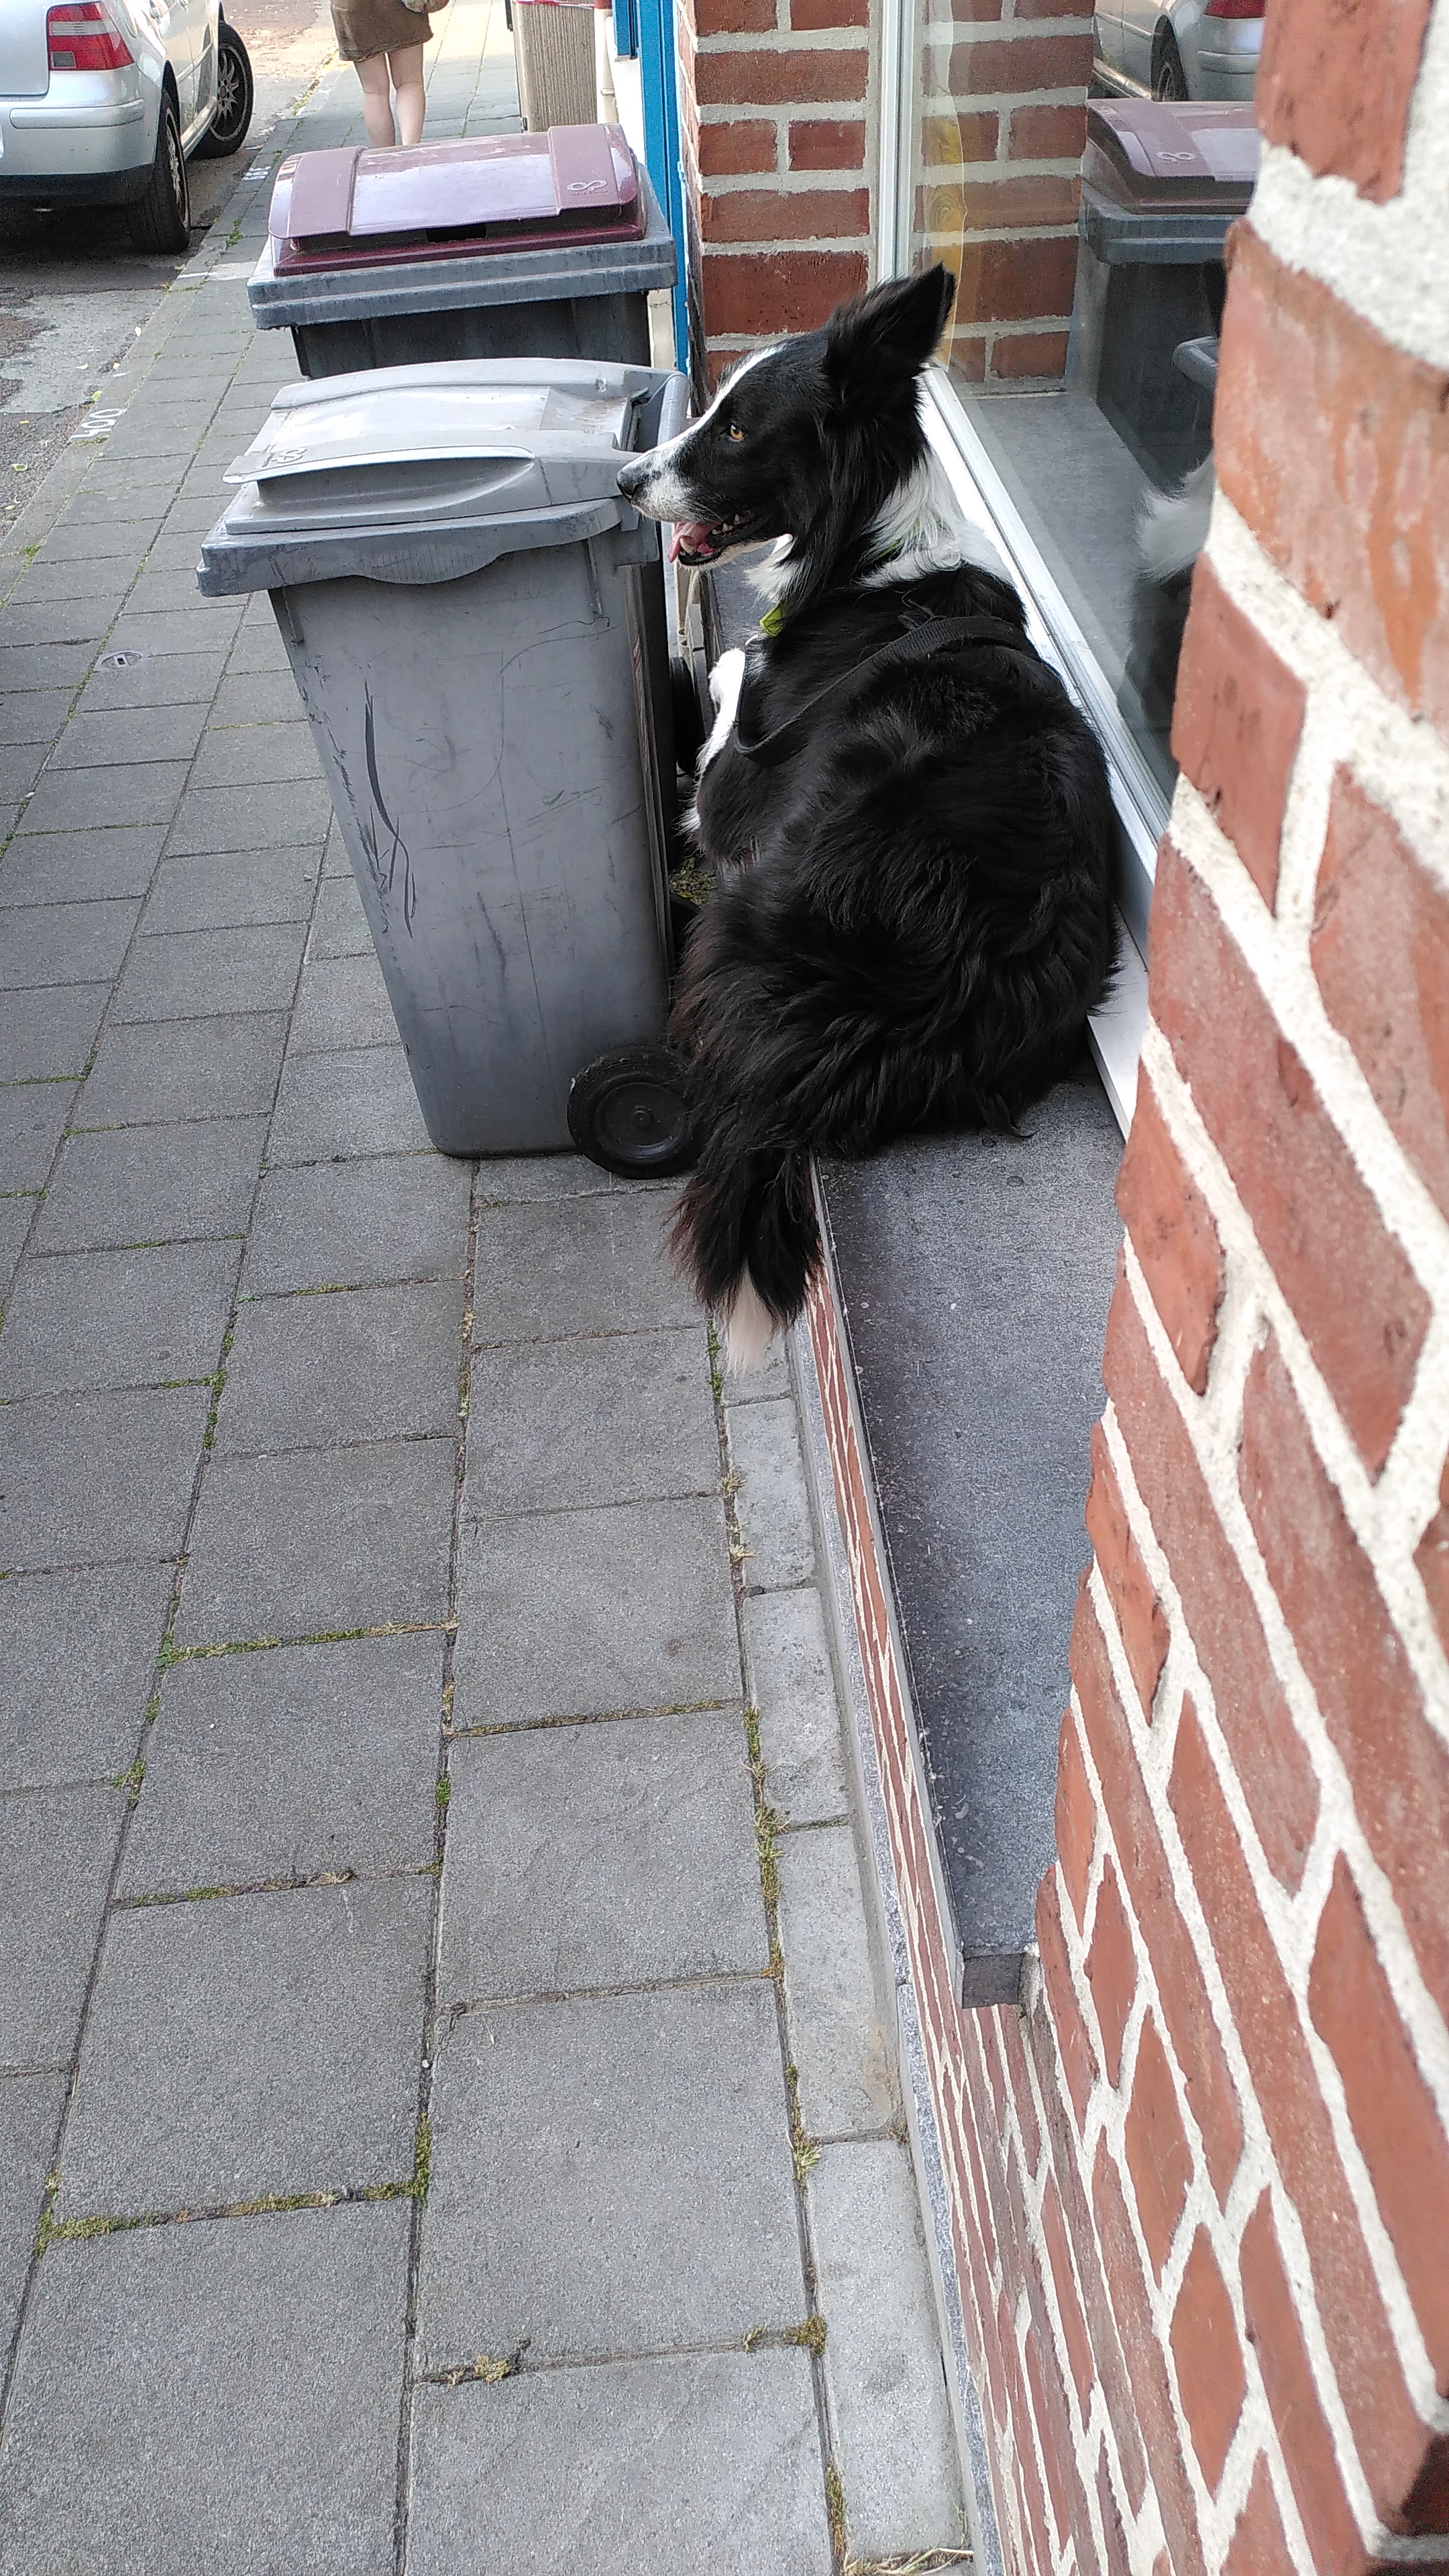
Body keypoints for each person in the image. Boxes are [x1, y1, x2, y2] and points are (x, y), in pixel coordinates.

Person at [330, 0, 439, 148]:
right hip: (400, 6)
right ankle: (410, 150)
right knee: (409, 83)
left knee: (374, 92)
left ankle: (384, 159)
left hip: (353, 6)